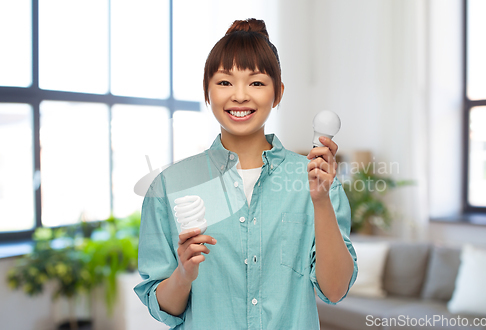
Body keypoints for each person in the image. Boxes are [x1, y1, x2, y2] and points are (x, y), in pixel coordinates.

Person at [134, 18, 358, 330]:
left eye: (256, 82)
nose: (239, 96)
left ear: (277, 93)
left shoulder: (318, 181)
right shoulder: (170, 187)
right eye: (225, 82)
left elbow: (335, 290)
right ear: (207, 91)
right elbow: (164, 308)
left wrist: (320, 201)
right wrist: (184, 274)